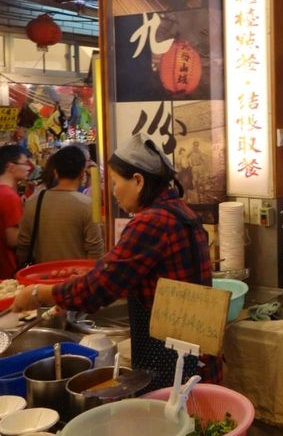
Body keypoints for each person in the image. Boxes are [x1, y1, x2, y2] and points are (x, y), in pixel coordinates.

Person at [12, 133, 217, 391]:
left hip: (173, 364)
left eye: (117, 182)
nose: (114, 191)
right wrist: (71, 291)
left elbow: (103, 286)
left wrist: (40, 294)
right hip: (197, 358)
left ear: (138, 181)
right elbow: (119, 271)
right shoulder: (181, 210)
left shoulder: (150, 221)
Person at [16, 146, 104, 265]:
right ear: (82, 174)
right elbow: (95, 250)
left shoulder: (33, 202)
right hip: (76, 278)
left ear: (56, 172)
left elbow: (23, 245)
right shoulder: (87, 205)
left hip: (40, 276)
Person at [0, 145, 32, 278]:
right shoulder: (9, 196)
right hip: (7, 270)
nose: (29, 167)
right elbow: (13, 240)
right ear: (10, 166)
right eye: (25, 163)